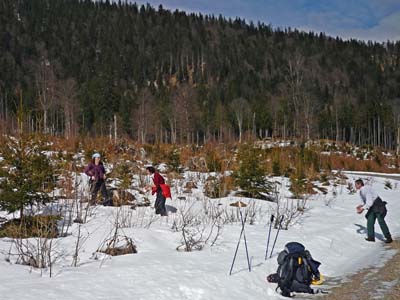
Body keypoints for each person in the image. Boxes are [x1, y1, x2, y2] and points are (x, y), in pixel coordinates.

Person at [355, 179, 392, 243]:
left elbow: (369, 202)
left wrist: (362, 209)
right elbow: (364, 202)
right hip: (372, 206)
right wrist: (360, 206)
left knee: (381, 221)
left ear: (360, 184)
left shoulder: (366, 189)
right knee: (370, 220)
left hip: (378, 205)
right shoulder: (361, 191)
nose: (355, 186)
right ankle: (371, 237)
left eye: (356, 184)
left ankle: (388, 237)